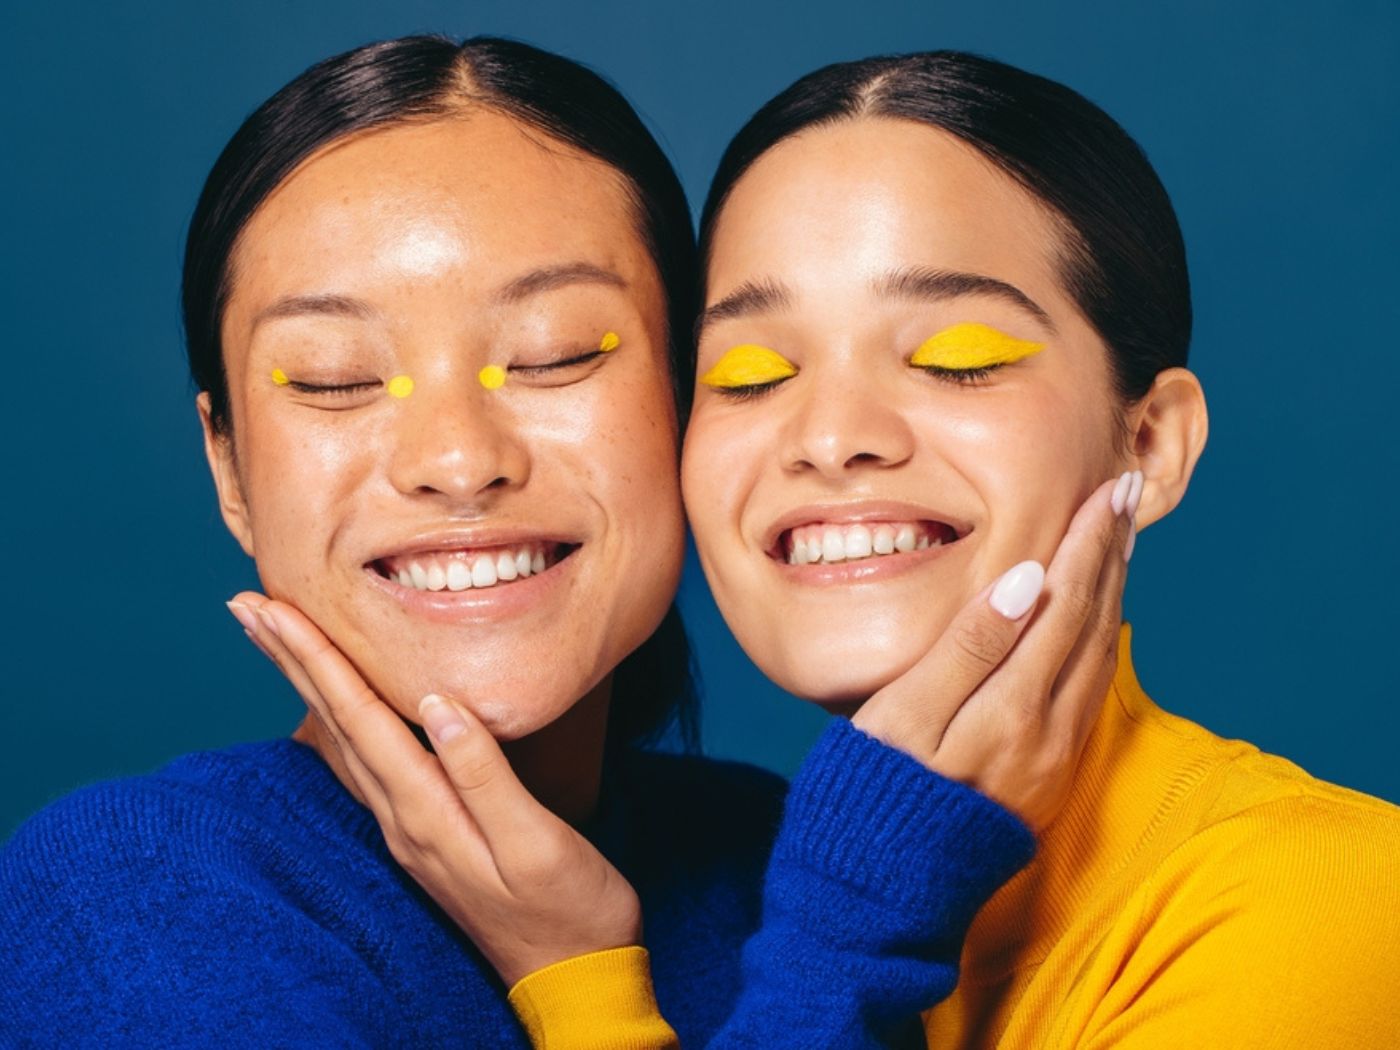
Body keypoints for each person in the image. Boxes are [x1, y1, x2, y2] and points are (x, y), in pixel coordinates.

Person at [248, 50, 1400, 1047]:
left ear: (1148, 440)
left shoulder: (1325, 900)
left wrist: (588, 997)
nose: (833, 438)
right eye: (750, 373)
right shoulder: (768, 883)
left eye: (954, 356)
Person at [0, 37, 1124, 1049]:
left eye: (550, 356)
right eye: (334, 379)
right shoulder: (128, 896)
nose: (456, 456)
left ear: (692, 406)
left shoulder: (774, 855)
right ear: (229, 470)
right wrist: (846, 943)